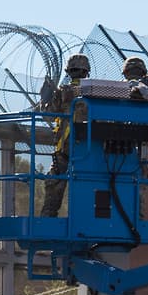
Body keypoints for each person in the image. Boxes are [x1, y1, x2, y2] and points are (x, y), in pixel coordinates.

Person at [39, 53, 90, 218]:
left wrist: (44, 99)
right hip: (90, 148)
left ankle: (48, 218)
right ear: (86, 71)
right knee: (86, 185)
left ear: (69, 71)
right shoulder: (95, 90)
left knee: (54, 182)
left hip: (65, 147)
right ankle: (82, 218)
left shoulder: (63, 91)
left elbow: (47, 114)